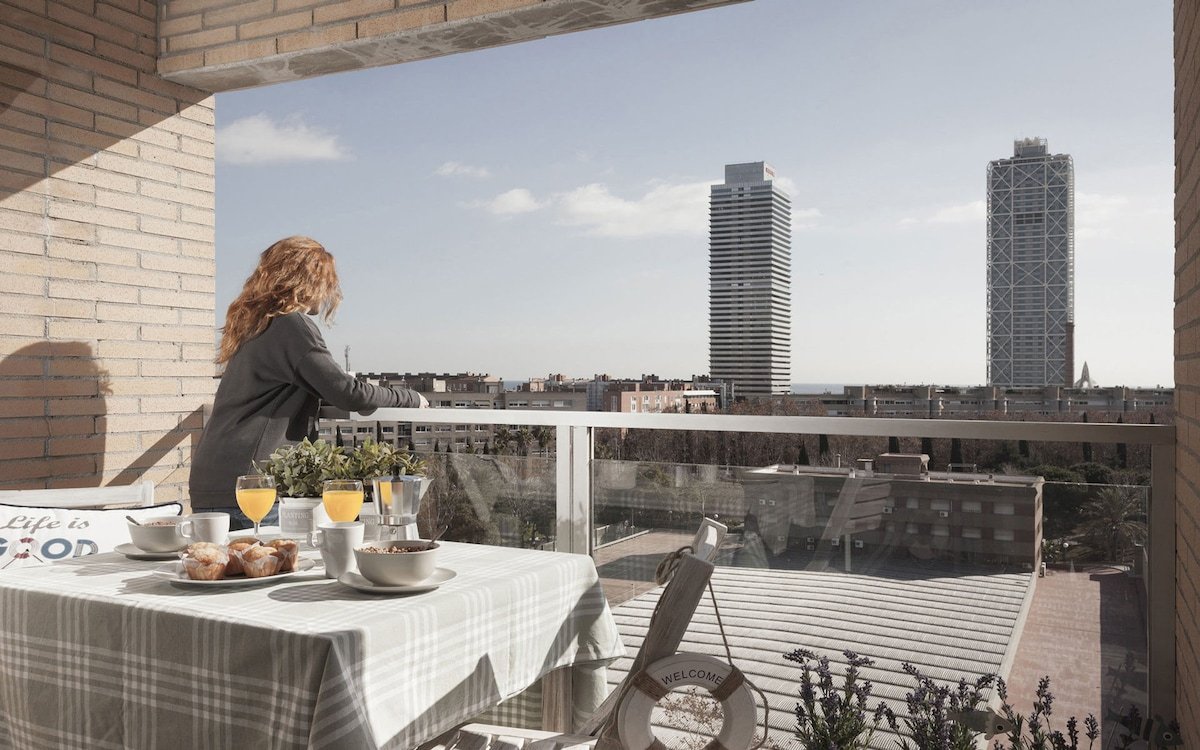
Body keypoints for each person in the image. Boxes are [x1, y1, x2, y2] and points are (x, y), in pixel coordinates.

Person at [188, 236, 426, 530]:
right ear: (308, 279)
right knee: (272, 573)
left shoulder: (257, 322)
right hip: (252, 489)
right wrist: (411, 398)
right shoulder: (289, 324)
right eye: (327, 281)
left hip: (218, 480)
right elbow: (348, 394)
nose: (328, 292)